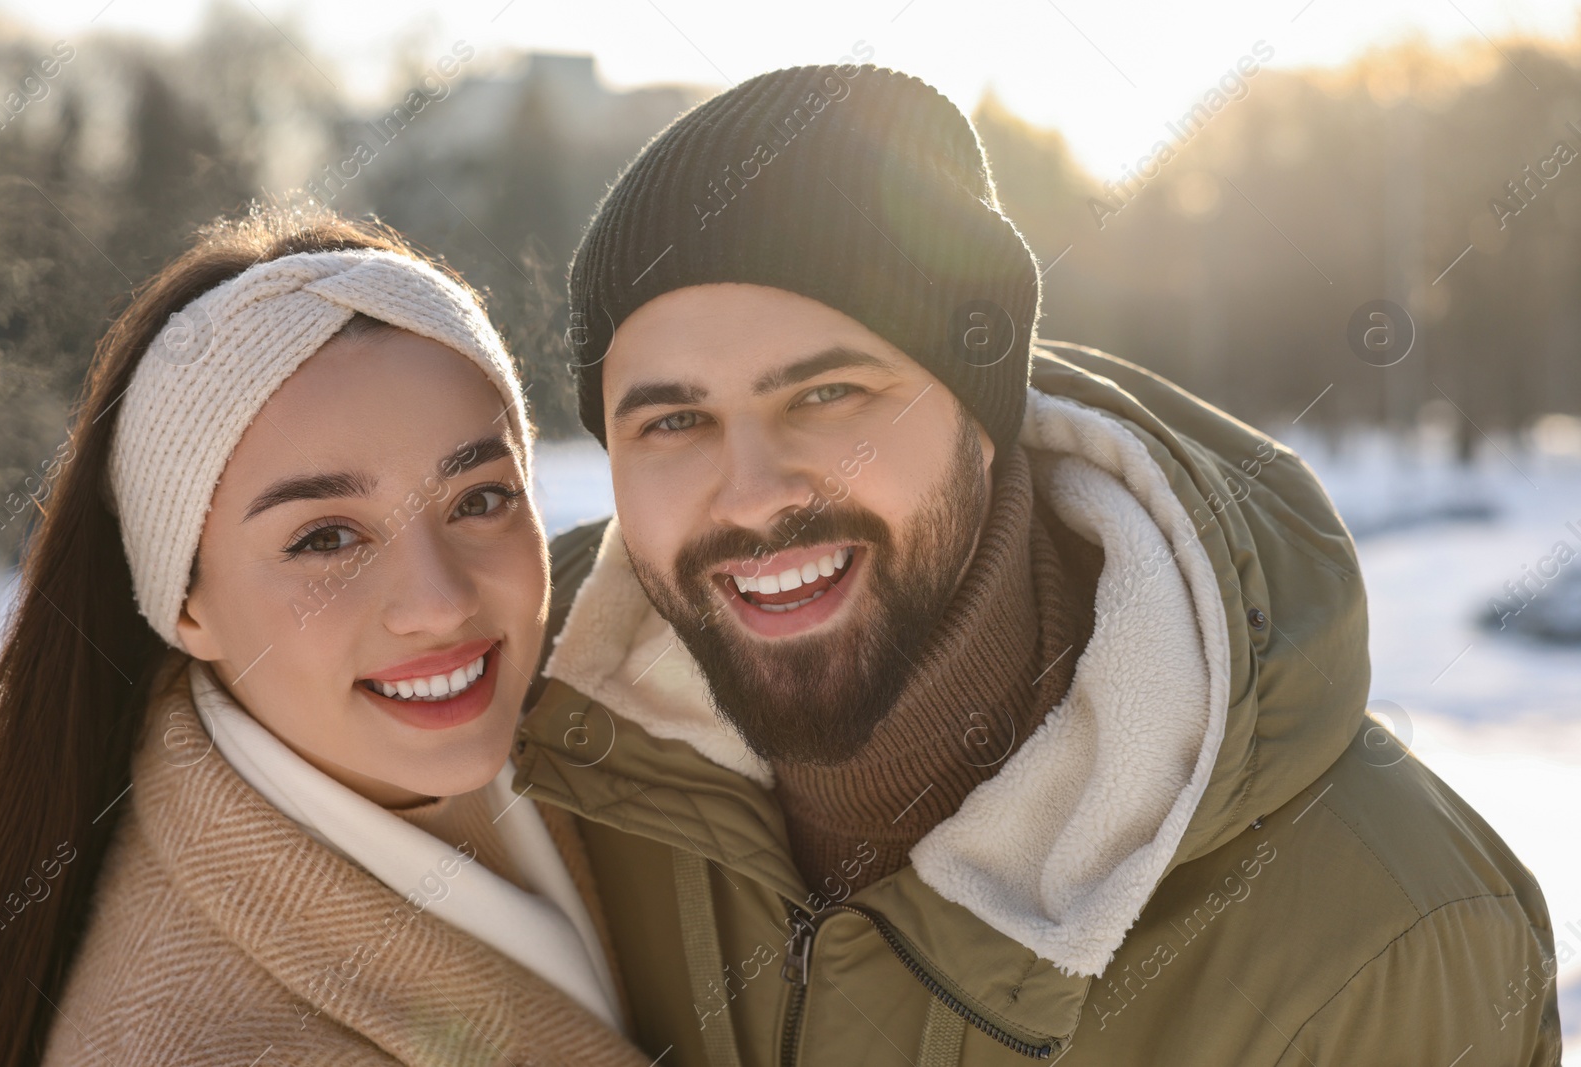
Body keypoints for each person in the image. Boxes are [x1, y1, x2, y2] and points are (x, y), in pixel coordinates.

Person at [515, 65, 1563, 1065]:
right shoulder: (537, 780)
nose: (749, 493)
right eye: (673, 420)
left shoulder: (1380, 931)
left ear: (984, 415)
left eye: (828, 395)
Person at [0, 207, 650, 1066]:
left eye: (479, 499)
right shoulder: (206, 1041)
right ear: (185, 603)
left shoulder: (639, 712)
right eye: (325, 538)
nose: (439, 603)